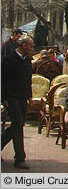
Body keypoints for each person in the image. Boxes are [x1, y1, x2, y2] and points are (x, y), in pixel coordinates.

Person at [1, 36, 34, 168]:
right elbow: (2, 80)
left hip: (22, 97)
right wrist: (3, 99)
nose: (32, 48)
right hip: (11, 97)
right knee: (18, 125)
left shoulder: (27, 61)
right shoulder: (8, 60)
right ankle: (20, 158)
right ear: (24, 45)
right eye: (30, 46)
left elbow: (28, 79)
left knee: (17, 125)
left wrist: (30, 96)